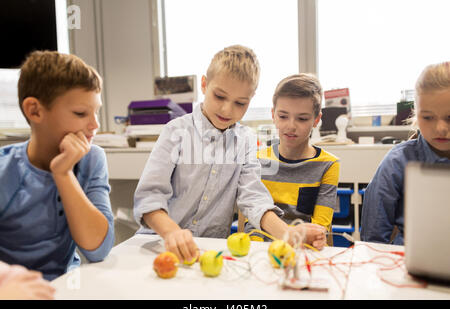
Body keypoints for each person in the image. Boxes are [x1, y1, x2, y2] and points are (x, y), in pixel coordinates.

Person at [134, 45, 327, 262]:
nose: (227, 110)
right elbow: (149, 197)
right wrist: (172, 232)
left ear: (251, 99)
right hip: (160, 245)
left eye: (240, 103)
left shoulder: (245, 141)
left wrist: (287, 233)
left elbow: (252, 197)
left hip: (208, 251)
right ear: (204, 85)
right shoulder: (176, 131)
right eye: (219, 96)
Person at [0, 51, 115, 281]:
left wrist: (63, 174)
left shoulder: (92, 159)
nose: (95, 125)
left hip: (66, 288)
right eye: (81, 113)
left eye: (96, 111)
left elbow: (98, 249)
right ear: (34, 110)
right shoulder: (5, 169)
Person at [361, 61, 450, 245]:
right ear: (415, 114)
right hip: (404, 265)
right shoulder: (397, 162)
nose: (441, 128)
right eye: (428, 117)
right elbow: (373, 240)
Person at [245, 74, 340, 240]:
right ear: (273, 115)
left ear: (316, 120)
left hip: (302, 250)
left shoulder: (328, 165)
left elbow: (319, 229)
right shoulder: (256, 160)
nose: (291, 126)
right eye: (283, 116)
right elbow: (251, 224)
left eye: (302, 119)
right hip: (260, 252)